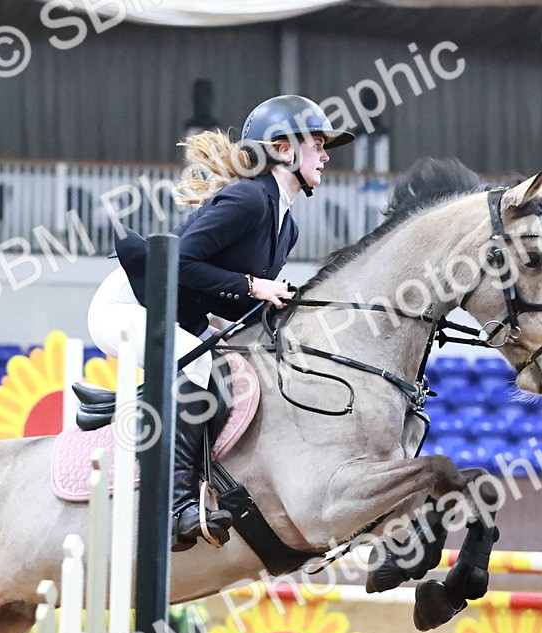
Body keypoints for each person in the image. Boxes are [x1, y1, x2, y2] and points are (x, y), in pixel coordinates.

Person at [87, 94, 354, 552]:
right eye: (317, 143)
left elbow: (227, 301)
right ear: (284, 149)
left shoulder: (285, 226)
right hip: (127, 303)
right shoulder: (249, 199)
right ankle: (176, 508)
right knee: (196, 364)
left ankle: (118, 408)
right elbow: (177, 262)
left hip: (171, 312)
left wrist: (277, 304)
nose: (326, 154)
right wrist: (254, 286)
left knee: (228, 365)